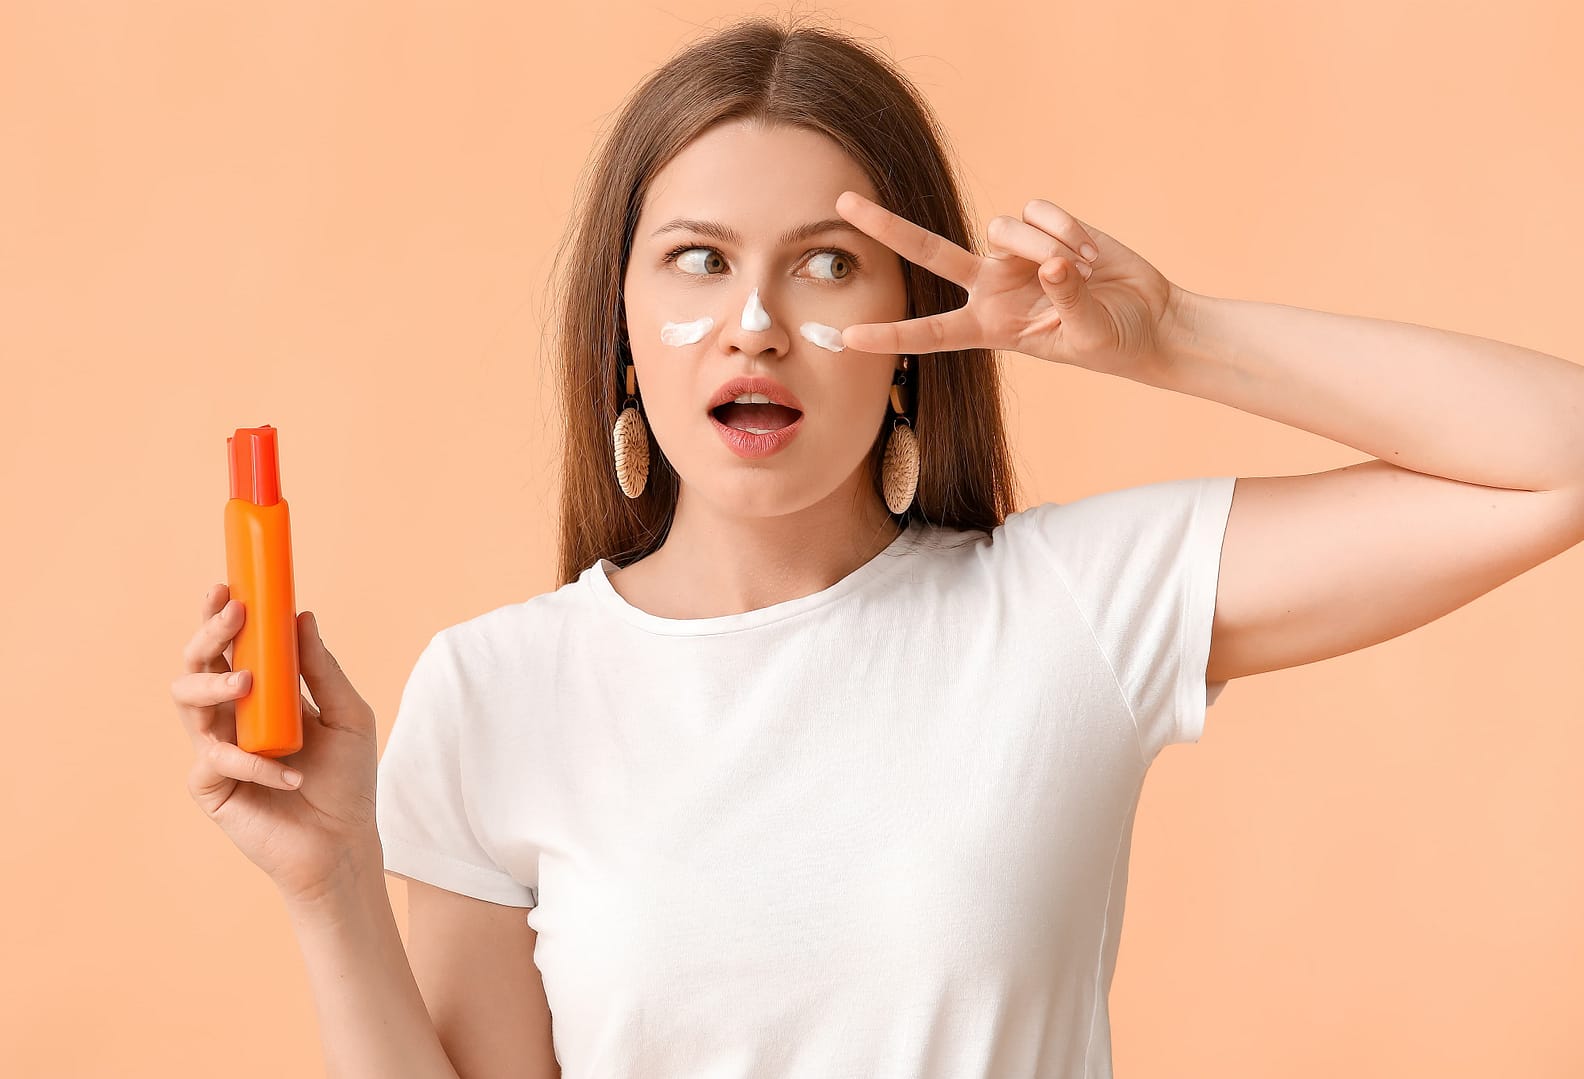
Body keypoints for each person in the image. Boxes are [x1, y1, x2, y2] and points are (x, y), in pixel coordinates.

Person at [170, 15, 1584, 1079]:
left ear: (915, 333)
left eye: (827, 263)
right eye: (700, 259)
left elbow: (1561, 454)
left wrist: (1171, 335)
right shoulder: (495, 691)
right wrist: (331, 884)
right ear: (621, 329)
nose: (757, 325)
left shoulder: (1073, 609)